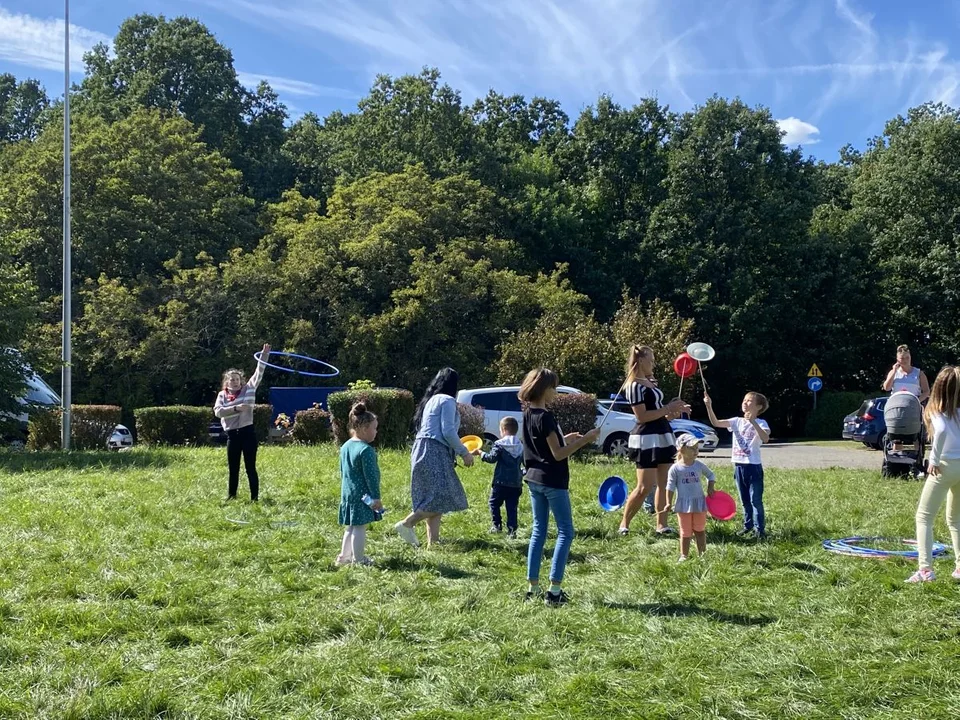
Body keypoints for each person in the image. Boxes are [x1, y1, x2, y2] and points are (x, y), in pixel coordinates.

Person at [520, 368, 600, 606]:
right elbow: (557, 454)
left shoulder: (527, 414)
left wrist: (568, 438)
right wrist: (586, 439)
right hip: (553, 481)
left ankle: (532, 588)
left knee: (539, 531)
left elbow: (544, 446)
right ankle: (554, 591)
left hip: (533, 479)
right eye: (554, 387)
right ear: (545, 389)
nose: (556, 392)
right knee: (566, 531)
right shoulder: (546, 417)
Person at [395, 368, 472, 548]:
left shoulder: (431, 400)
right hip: (434, 451)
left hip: (422, 449)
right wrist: (464, 452)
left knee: (435, 496)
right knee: (441, 496)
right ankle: (407, 523)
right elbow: (448, 431)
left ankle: (433, 542)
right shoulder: (447, 400)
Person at [618, 345, 690, 537]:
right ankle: (624, 523)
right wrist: (668, 408)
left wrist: (674, 411)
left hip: (662, 435)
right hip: (645, 439)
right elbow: (641, 417)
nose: (653, 364)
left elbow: (659, 414)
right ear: (641, 361)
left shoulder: (651, 383)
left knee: (665, 484)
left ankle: (662, 525)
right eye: (651, 360)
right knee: (644, 486)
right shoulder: (634, 385)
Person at [907, 366, 960, 583]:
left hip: (945, 466)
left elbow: (941, 431)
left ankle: (925, 570)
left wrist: (934, 460)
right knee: (955, 519)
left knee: (924, 517)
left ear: (938, 388)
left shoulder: (937, 411)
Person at [704, 391, 770, 539]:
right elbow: (716, 423)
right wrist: (709, 406)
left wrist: (753, 422)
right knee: (745, 500)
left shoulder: (761, 423)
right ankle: (748, 526)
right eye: (744, 400)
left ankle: (760, 530)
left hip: (753, 467)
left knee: (755, 500)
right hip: (738, 466)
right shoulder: (736, 421)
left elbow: (765, 438)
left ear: (758, 407)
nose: (745, 403)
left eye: (749, 401)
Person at [214, 343, 271, 502]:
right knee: (233, 468)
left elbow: (259, 372)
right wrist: (237, 408)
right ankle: (231, 496)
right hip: (232, 436)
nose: (235, 382)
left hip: (248, 433)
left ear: (241, 380)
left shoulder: (249, 389)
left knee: (250, 468)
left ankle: (255, 499)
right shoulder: (221, 395)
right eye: (231, 380)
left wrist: (264, 355)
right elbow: (218, 412)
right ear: (226, 382)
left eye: (237, 379)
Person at [337, 403, 382, 566]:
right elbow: (372, 477)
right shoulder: (366, 450)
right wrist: (376, 497)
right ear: (363, 428)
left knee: (350, 527)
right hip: (363, 496)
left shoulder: (345, 446)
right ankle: (359, 559)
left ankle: (344, 557)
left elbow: (343, 471)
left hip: (348, 493)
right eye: (374, 428)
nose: (376, 432)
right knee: (360, 528)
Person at [665, 434, 716, 562]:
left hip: (699, 503)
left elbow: (711, 475)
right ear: (681, 450)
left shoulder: (698, 465)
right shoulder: (675, 469)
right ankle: (684, 556)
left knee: (700, 530)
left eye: (697, 448)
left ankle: (702, 554)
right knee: (685, 532)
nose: (696, 451)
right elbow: (670, 487)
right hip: (683, 505)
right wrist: (668, 503)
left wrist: (710, 488)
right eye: (692, 448)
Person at [474, 416, 524, 538]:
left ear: (504, 429)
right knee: (512, 507)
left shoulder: (499, 444)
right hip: (515, 484)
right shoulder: (521, 445)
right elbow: (527, 463)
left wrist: (480, 453)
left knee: (494, 503)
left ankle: (497, 526)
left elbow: (491, 458)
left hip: (500, 482)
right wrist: (522, 472)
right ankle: (512, 531)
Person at [882, 344, 931, 453]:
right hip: (897, 408)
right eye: (902, 358)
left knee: (916, 434)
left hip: (913, 407)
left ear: (910, 357)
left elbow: (927, 391)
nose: (905, 361)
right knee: (897, 437)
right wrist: (893, 372)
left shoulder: (919, 373)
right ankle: (896, 458)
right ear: (897, 359)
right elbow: (887, 387)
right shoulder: (894, 373)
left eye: (907, 358)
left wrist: (918, 400)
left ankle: (917, 458)